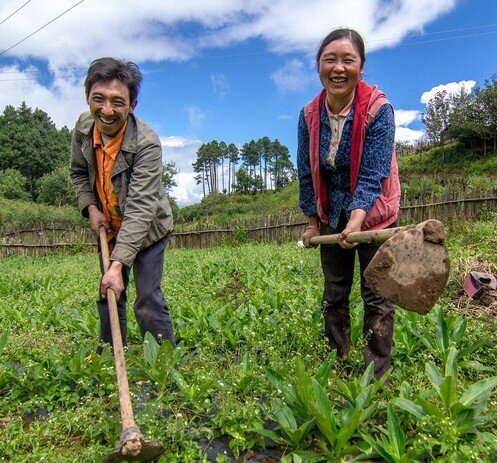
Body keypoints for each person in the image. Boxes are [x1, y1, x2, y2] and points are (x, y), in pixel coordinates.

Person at [297, 29, 400, 380]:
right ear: (318, 66)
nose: (338, 68)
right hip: (332, 210)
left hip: (374, 217)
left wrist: (357, 222)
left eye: (348, 60)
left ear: (361, 66)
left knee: (377, 294)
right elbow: (306, 170)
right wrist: (313, 222)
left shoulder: (378, 109)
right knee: (335, 292)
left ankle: (376, 373)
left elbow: (373, 174)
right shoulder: (310, 114)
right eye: (330, 60)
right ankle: (337, 359)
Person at [70, 57, 176, 351]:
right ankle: (110, 350)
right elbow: (78, 172)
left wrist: (118, 263)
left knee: (147, 295)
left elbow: (142, 208)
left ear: (132, 105)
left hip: (148, 229)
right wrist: (90, 207)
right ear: (87, 97)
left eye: (118, 102)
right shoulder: (81, 129)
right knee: (109, 288)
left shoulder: (146, 143)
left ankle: (162, 356)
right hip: (108, 224)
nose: (106, 110)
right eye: (98, 99)